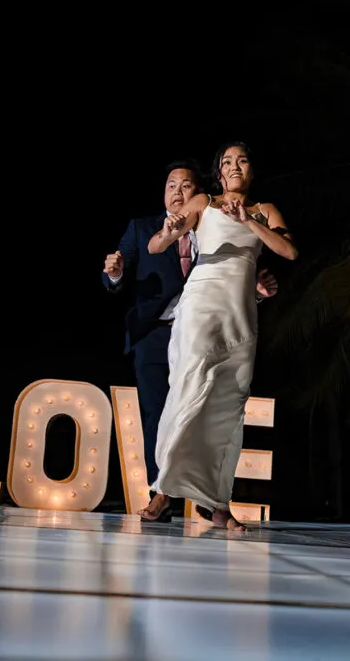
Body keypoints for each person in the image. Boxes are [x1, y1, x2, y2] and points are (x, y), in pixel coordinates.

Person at [137, 142, 298, 530]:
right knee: (188, 389)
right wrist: (170, 230)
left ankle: (219, 504)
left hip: (240, 312)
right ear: (218, 173)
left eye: (242, 159)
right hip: (202, 304)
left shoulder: (266, 211)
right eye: (227, 161)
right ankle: (163, 490)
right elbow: (155, 244)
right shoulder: (205, 203)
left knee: (227, 407)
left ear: (252, 170)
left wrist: (247, 221)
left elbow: (289, 252)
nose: (235, 166)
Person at [102, 159, 278, 498]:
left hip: (204, 332)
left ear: (198, 193)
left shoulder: (216, 223)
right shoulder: (143, 228)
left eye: (185, 185)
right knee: (157, 413)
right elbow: (117, 270)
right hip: (155, 334)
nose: (177, 192)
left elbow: (233, 285)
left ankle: (202, 495)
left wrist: (256, 295)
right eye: (171, 185)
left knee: (204, 412)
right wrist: (114, 272)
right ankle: (160, 493)